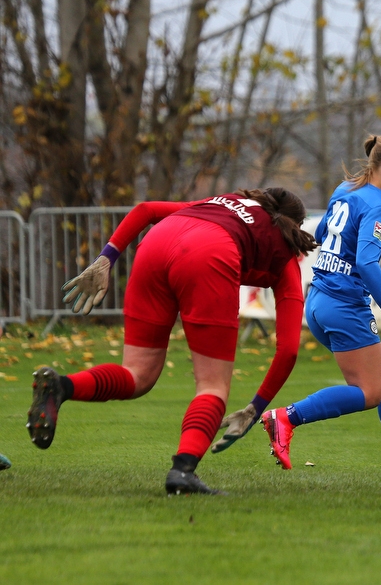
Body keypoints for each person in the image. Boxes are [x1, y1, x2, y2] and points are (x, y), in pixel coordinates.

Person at [28, 188, 317, 495]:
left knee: (137, 375)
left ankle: (62, 386)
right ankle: (182, 471)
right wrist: (254, 408)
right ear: (293, 229)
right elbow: (287, 350)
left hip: (156, 243)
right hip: (210, 252)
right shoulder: (283, 256)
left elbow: (146, 210)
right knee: (212, 387)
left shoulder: (223, 203)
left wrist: (107, 258)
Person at [214, 133, 381, 476]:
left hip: (320, 299)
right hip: (344, 306)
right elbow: (367, 265)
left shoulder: (345, 190)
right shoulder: (376, 205)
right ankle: (284, 417)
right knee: (370, 392)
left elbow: (323, 232)